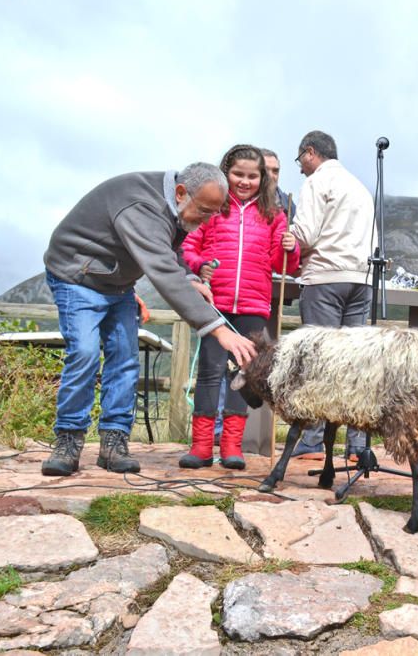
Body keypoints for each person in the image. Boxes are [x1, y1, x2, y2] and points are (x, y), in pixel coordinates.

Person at [41, 163, 257, 477]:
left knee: (126, 360)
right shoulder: (142, 205)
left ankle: (114, 443)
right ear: (182, 193)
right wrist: (218, 329)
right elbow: (160, 269)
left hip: (117, 283)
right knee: (85, 353)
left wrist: (188, 276)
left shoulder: (177, 206)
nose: (207, 220)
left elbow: (171, 250)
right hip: (78, 277)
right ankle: (68, 440)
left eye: (214, 213)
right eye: (205, 211)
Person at [178, 145, 300, 470]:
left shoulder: (274, 215)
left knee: (241, 374)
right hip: (214, 304)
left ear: (263, 178)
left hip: (253, 306)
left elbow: (281, 262)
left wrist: (291, 247)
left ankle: (232, 446)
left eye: (252, 176)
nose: (245, 181)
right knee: (209, 372)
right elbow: (189, 246)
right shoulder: (213, 208)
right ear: (225, 173)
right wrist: (199, 263)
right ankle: (202, 446)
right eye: (238, 174)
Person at [287, 130, 376, 460]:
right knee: (352, 364)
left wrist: (290, 239)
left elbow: (307, 233)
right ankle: (356, 443)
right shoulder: (360, 187)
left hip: (325, 277)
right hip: (360, 279)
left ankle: (314, 437)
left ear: (310, 153)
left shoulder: (316, 182)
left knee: (319, 361)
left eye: (300, 160)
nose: (300, 168)